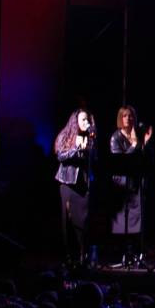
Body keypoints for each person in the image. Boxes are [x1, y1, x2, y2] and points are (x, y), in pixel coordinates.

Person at [54, 109, 100, 269]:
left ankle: (83, 256)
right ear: (75, 121)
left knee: (84, 221)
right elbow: (60, 155)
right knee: (68, 221)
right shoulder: (66, 135)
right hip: (68, 183)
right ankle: (69, 256)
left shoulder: (91, 138)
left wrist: (89, 148)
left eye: (87, 120)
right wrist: (77, 149)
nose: (86, 122)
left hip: (84, 184)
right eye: (83, 119)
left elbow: (95, 160)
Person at [108, 106, 152, 268]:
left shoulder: (138, 134)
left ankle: (137, 254)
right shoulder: (116, 137)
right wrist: (134, 144)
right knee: (123, 221)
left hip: (137, 183)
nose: (128, 118)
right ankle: (124, 253)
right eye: (125, 116)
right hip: (123, 185)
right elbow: (120, 161)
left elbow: (146, 159)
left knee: (138, 220)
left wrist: (144, 143)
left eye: (131, 115)